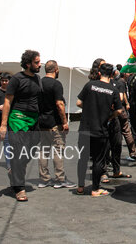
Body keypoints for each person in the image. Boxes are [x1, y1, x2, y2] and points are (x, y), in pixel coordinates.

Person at [0, 50, 42, 201]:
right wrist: (3, 125)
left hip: (33, 121)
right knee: (18, 153)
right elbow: (7, 102)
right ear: (28, 64)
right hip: (17, 120)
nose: (40, 64)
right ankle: (19, 188)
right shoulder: (16, 79)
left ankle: (13, 172)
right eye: (37, 62)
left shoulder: (37, 78)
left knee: (30, 151)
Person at [76, 63, 122, 196]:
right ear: (112, 74)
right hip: (100, 129)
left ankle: (80, 186)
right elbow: (119, 110)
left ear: (100, 73)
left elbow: (78, 102)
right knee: (98, 159)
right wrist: (110, 116)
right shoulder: (113, 90)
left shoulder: (90, 85)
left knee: (83, 158)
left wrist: (89, 107)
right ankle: (95, 189)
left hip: (85, 128)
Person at [37, 60, 75, 189]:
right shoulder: (56, 84)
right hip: (54, 123)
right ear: (56, 69)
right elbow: (60, 104)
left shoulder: (39, 83)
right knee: (58, 150)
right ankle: (60, 179)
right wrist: (64, 122)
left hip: (42, 121)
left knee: (43, 150)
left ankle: (44, 179)